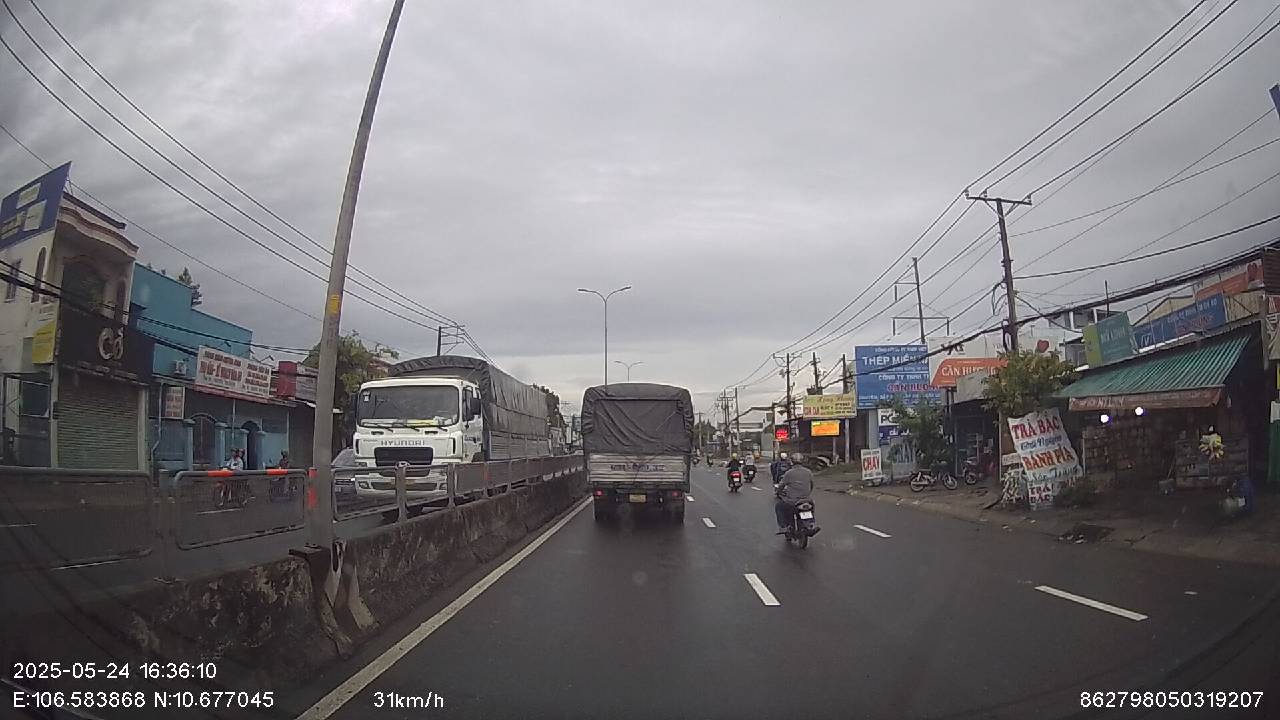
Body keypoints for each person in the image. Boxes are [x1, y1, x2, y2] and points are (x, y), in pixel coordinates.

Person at [774, 452, 814, 533]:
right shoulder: (808, 472)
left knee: (779, 506)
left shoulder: (789, 473)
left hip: (793, 501)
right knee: (811, 507)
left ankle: (783, 527)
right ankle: (811, 524)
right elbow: (811, 485)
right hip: (807, 500)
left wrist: (778, 491)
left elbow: (781, 485)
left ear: (791, 462)